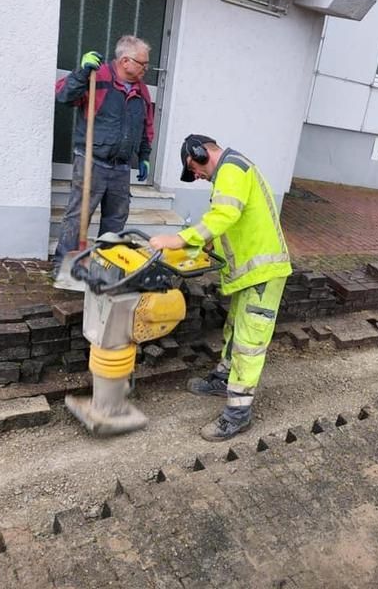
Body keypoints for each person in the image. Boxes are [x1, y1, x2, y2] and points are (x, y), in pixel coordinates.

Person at [150, 135, 291, 441]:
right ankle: (223, 379)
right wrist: (210, 241)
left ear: (200, 154)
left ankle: (238, 415)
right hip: (249, 274)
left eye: (194, 169)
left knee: (249, 342)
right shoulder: (231, 172)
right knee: (233, 331)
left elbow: (225, 215)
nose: (197, 176)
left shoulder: (232, 168)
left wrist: (179, 239)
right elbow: (232, 221)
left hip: (264, 274)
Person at [53, 35, 154, 278]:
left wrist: (144, 155)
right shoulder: (97, 78)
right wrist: (82, 72)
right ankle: (63, 267)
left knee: (116, 220)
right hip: (91, 161)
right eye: (143, 63)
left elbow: (145, 124)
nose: (146, 69)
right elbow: (63, 95)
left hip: (120, 167)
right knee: (78, 217)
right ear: (126, 61)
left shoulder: (141, 91)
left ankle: (105, 266)